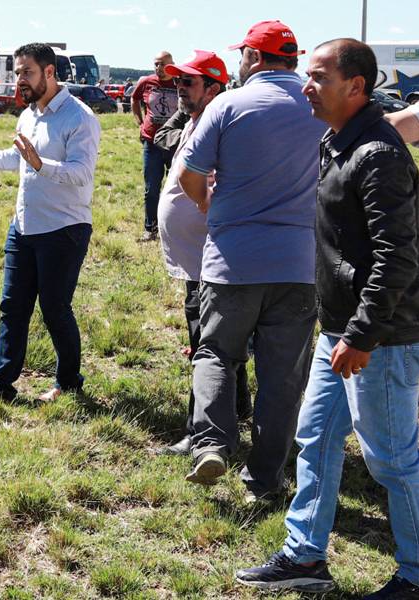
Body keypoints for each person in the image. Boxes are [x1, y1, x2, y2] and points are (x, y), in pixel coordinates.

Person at [237, 39, 419, 599]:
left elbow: (397, 257)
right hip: (342, 329)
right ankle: (304, 557)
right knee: (314, 438)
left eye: (317, 77)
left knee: (390, 459)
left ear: (356, 87)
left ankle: (415, 575)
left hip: (380, 336)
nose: (305, 86)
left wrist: (362, 335)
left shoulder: (378, 155)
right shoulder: (338, 140)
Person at [177, 20, 326, 501]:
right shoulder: (318, 106)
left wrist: (206, 204)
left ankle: (213, 444)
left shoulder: (228, 103)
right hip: (302, 265)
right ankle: (264, 479)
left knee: (216, 353)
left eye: (242, 54)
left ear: (253, 57)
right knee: (283, 379)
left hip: (232, 261)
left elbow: (189, 174)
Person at [0, 43, 100, 406]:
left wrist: (41, 164)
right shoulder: (28, 114)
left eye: (26, 72)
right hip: (24, 227)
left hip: (64, 229)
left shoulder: (80, 118)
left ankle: (68, 382)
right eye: (16, 72)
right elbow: (15, 158)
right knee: (12, 307)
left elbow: (82, 174)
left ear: (49, 72)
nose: (19, 79)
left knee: (54, 309)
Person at [152, 50, 251, 456]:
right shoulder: (196, 121)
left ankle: (202, 433)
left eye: (187, 82)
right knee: (221, 343)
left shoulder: (219, 129)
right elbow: (160, 138)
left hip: (209, 261)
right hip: (196, 260)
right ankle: (237, 411)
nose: (178, 87)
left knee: (206, 348)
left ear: (213, 88)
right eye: (176, 81)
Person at [131, 50, 178, 241]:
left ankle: (174, 228)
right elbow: (134, 99)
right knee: (151, 188)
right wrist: (140, 123)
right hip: (151, 142)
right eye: (156, 64)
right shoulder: (146, 82)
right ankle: (150, 228)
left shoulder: (179, 81)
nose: (159, 68)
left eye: (162, 64)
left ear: (172, 64)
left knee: (177, 187)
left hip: (175, 142)